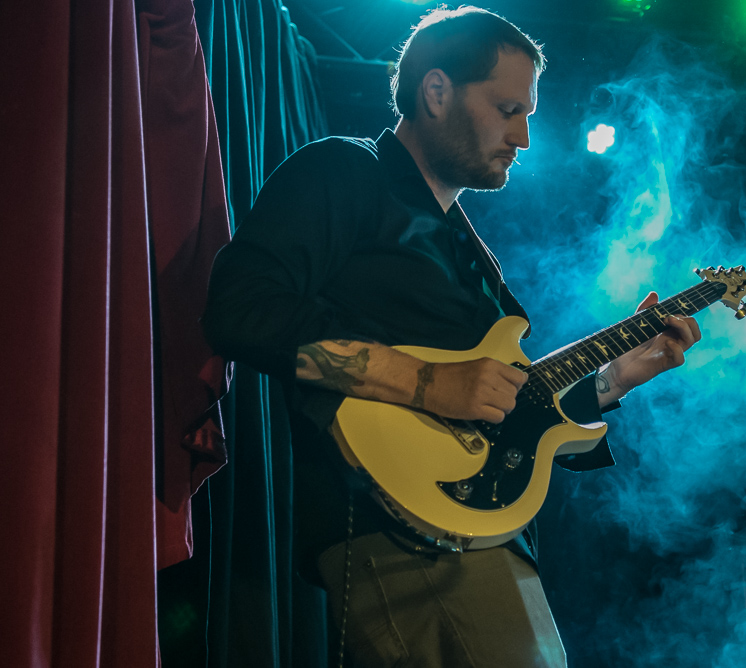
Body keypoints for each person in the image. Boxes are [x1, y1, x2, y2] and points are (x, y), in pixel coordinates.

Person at [202, 6, 702, 667]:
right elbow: (239, 308)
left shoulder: (475, 257)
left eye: (526, 113)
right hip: (399, 536)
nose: (522, 136)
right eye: (506, 108)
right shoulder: (343, 172)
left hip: (486, 535)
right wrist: (432, 383)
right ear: (436, 92)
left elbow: (514, 409)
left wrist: (619, 376)